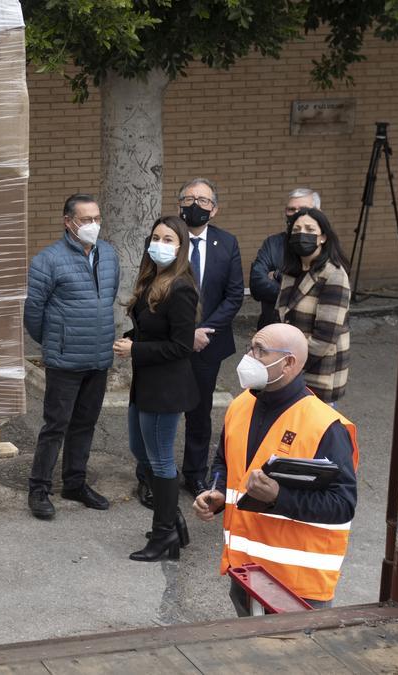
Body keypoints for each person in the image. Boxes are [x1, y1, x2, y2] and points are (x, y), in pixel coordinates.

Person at [192, 323, 358, 614]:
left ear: (289, 363)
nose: (250, 357)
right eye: (251, 348)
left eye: (261, 351)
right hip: (245, 574)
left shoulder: (326, 427)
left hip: (297, 587)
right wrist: (217, 491)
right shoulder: (240, 405)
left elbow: (342, 505)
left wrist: (278, 496)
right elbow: (225, 461)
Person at [136, 178, 242, 507]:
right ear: (178, 202)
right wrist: (184, 334)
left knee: (199, 410)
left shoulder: (227, 243)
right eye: (188, 198)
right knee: (154, 410)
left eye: (203, 200)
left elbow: (234, 295)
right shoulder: (165, 241)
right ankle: (150, 475)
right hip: (167, 342)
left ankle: (195, 472)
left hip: (207, 343)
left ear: (215, 208)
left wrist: (203, 331)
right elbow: (147, 288)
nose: (195, 204)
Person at [23, 194, 120, 519]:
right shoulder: (47, 260)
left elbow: (107, 298)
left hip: (98, 356)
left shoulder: (108, 255)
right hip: (65, 359)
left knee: (86, 423)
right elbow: (33, 312)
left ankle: (75, 482)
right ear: (68, 222)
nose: (93, 225)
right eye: (85, 220)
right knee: (56, 425)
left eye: (96, 218)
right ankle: (39, 489)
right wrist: (54, 342)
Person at [114, 215, 200, 561]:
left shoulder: (181, 287)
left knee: (161, 459)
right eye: (156, 237)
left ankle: (164, 534)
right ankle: (173, 518)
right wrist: (134, 338)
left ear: (180, 248)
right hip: (146, 382)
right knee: (140, 448)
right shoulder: (153, 279)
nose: (160, 244)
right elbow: (155, 331)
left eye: (168, 240)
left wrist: (135, 349)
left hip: (166, 388)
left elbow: (181, 346)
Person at [276, 207, 351, 403]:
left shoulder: (334, 274)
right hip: (291, 370)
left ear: (323, 237)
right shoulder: (291, 272)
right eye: (297, 230)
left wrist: (291, 366)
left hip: (318, 373)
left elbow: (325, 338)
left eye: (310, 230)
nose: (302, 234)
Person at [250, 188, 321, 330]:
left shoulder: (325, 246)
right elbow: (257, 285)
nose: (296, 214)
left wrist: (277, 275)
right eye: (291, 209)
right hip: (271, 329)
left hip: (311, 333)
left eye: (303, 209)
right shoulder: (272, 244)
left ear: (318, 212)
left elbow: (327, 290)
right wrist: (303, 292)